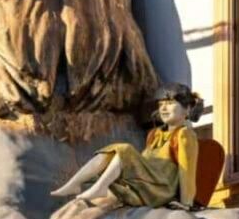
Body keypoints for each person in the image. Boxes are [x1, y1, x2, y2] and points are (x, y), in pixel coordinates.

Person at [51, 83, 203, 207]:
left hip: (162, 189)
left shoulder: (185, 134)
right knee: (115, 154)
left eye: (169, 103)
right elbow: (143, 163)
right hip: (147, 185)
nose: (163, 108)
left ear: (187, 109)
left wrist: (186, 203)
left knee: (124, 149)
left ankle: (99, 187)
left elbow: (187, 171)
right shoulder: (155, 134)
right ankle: (76, 183)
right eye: (161, 104)